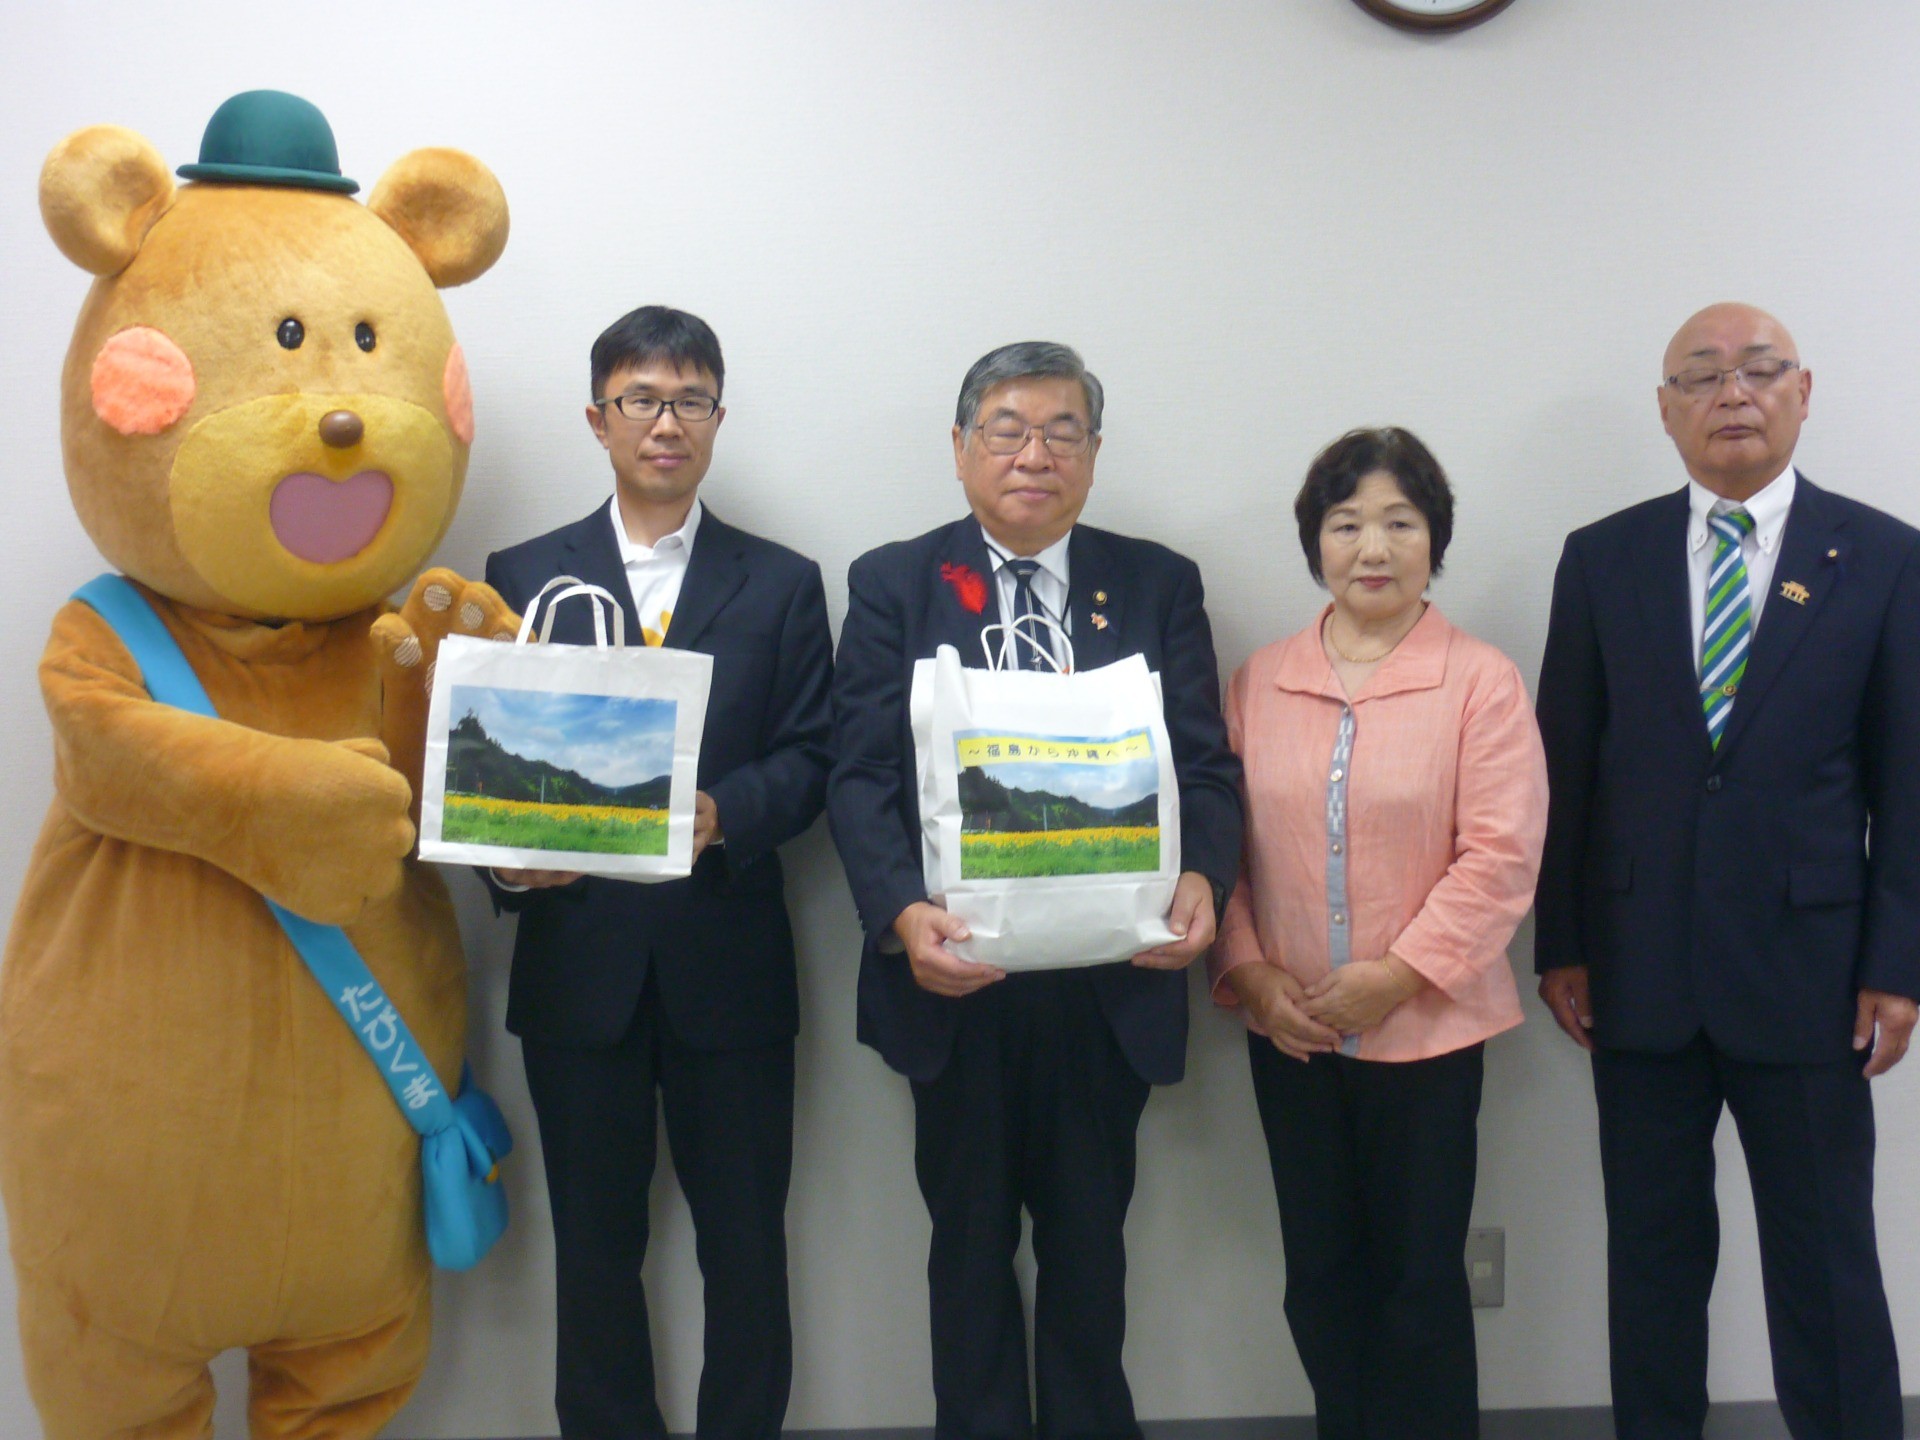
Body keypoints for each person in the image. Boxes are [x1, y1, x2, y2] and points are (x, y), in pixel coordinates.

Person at [828, 341, 1243, 1440]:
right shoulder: (894, 582)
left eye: (1063, 431)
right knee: (965, 1251)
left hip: (1111, 982)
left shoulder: (1158, 582)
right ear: (961, 449)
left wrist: (1206, 875)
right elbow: (860, 772)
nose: (1034, 453)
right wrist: (899, 915)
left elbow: (1201, 763)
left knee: (1090, 1251)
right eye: (1007, 429)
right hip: (956, 980)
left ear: (1095, 454)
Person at [1535, 302, 1920, 1440]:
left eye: (1759, 371)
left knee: (1827, 1261)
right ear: (1666, 412)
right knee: (1652, 1263)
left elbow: (1907, 778)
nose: (1732, 394)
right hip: (1637, 967)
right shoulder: (1602, 558)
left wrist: (1896, 961)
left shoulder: (1885, 556)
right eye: (1700, 377)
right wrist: (1562, 942)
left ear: (1805, 392)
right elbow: (1567, 766)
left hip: (1810, 970)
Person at [482, 305, 834, 1440]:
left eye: (690, 399)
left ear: (719, 420)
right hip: (577, 964)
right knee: (593, 1250)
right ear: (599, 419)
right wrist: (507, 868)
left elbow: (819, 755)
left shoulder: (783, 582)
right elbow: (487, 760)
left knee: (745, 1248)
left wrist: (728, 811)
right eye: (642, 398)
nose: (666, 422)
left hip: (728, 965)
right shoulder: (523, 572)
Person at [1206, 428, 1546, 1439]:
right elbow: (1218, 849)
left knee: (1420, 1281)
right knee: (1317, 1273)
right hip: (1292, 1033)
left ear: (1434, 539)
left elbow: (1501, 855)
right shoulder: (1260, 680)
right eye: (1347, 522)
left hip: (1427, 1037)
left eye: (1401, 522)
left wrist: (1396, 977)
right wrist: (1252, 974)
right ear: (1315, 541)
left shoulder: (1479, 680)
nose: (1373, 547)